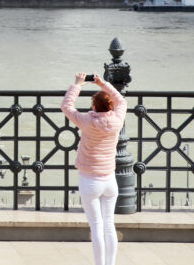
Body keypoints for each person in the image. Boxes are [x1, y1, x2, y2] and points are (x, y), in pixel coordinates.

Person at [61, 73, 127, 265]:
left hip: (89, 180)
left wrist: (78, 84)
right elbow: (121, 101)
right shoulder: (117, 120)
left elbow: (66, 107)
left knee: (96, 227)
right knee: (109, 225)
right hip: (110, 180)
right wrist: (103, 84)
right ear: (110, 106)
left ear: (94, 106)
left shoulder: (87, 121)